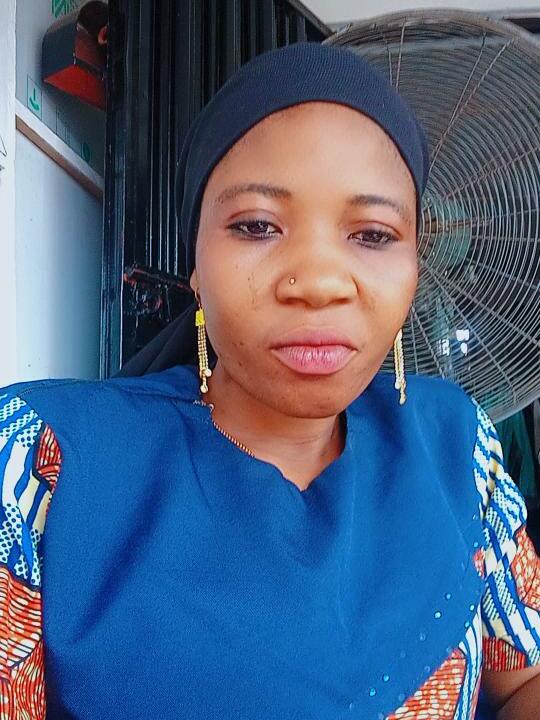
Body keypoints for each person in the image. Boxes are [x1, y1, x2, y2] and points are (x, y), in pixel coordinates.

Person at [1, 42, 539, 720]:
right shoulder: (41, 459)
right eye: (257, 226)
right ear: (196, 264)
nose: (318, 282)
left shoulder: (459, 447)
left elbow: (523, 681)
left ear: (415, 266)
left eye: (373, 235)